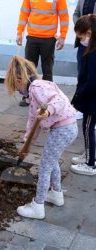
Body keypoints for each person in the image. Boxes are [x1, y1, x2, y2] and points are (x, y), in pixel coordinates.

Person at [5, 56, 77, 219]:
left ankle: (38, 206)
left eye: (16, 88)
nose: (18, 91)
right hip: (67, 128)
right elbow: (33, 123)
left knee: (45, 166)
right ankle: (56, 194)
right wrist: (26, 145)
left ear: (19, 80)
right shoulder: (33, 94)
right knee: (52, 161)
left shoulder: (37, 86)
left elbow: (59, 101)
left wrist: (49, 110)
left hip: (63, 128)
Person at [16, 0, 69, 106]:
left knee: (47, 69)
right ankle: (28, 96)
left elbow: (64, 16)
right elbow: (24, 13)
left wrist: (63, 36)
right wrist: (19, 32)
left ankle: (48, 97)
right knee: (29, 69)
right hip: (32, 38)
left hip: (49, 39)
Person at [70, 14, 96, 176]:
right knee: (89, 128)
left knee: (87, 128)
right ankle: (89, 155)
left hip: (92, 100)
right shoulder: (91, 48)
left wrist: (78, 96)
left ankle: (90, 164)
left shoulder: (93, 53)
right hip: (91, 98)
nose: (80, 40)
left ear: (89, 33)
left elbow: (92, 81)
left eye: (81, 36)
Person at [73, 0, 96, 120]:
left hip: (93, 40)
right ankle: (82, 107)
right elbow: (76, 13)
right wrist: (80, 25)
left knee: (92, 76)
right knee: (82, 73)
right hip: (84, 39)